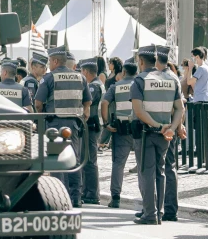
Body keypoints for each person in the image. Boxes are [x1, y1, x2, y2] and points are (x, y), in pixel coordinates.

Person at [130, 45, 184, 225]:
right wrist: (171, 127)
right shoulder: (172, 79)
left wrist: (158, 125)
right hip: (165, 135)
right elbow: (179, 108)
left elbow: (139, 111)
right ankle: (159, 212)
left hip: (147, 133)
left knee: (147, 172)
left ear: (141, 61)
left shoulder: (139, 80)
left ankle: (150, 213)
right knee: (160, 172)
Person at [35, 46, 91, 207]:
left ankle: (60, 197)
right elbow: (88, 102)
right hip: (75, 123)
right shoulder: (80, 77)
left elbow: (38, 104)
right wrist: (84, 114)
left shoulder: (49, 78)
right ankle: (76, 198)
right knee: (75, 160)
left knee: (57, 160)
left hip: (55, 123)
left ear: (55, 61)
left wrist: (42, 117)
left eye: (49, 61)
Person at [102, 58, 137, 208]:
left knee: (118, 164)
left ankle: (115, 198)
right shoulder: (140, 84)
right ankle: (150, 198)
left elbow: (104, 103)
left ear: (123, 72)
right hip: (139, 129)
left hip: (121, 130)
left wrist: (106, 123)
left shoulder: (116, 86)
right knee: (144, 165)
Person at [156, 46, 185, 222]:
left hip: (163, 129)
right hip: (170, 128)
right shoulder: (173, 77)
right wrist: (178, 126)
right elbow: (179, 107)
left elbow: (178, 107)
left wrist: (177, 127)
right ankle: (167, 209)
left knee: (165, 168)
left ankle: (163, 208)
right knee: (169, 168)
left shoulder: (163, 77)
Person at [80, 58, 105, 204]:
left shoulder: (93, 87)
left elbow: (86, 102)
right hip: (93, 126)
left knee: (89, 160)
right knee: (88, 159)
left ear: (86, 72)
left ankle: (92, 194)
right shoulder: (96, 84)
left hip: (92, 126)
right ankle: (88, 192)